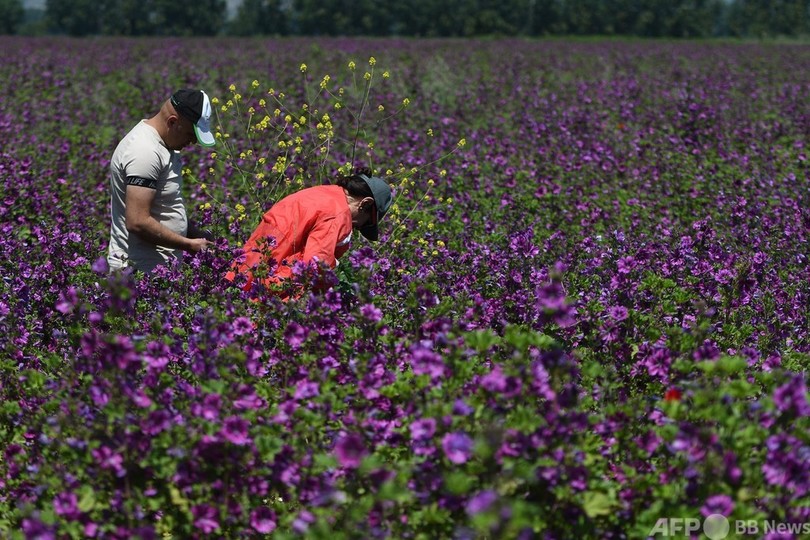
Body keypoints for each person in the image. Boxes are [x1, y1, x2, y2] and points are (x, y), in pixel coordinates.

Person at [226, 167, 393, 297]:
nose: (357, 228)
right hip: (269, 285)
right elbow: (315, 264)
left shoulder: (324, 192)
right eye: (364, 223)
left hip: (246, 270)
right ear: (365, 203)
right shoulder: (339, 213)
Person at [107, 89, 216, 273]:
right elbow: (138, 221)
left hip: (158, 271)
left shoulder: (165, 145)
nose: (193, 143)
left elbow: (162, 208)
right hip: (138, 272)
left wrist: (193, 233)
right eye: (190, 135)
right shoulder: (144, 152)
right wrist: (188, 244)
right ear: (173, 122)